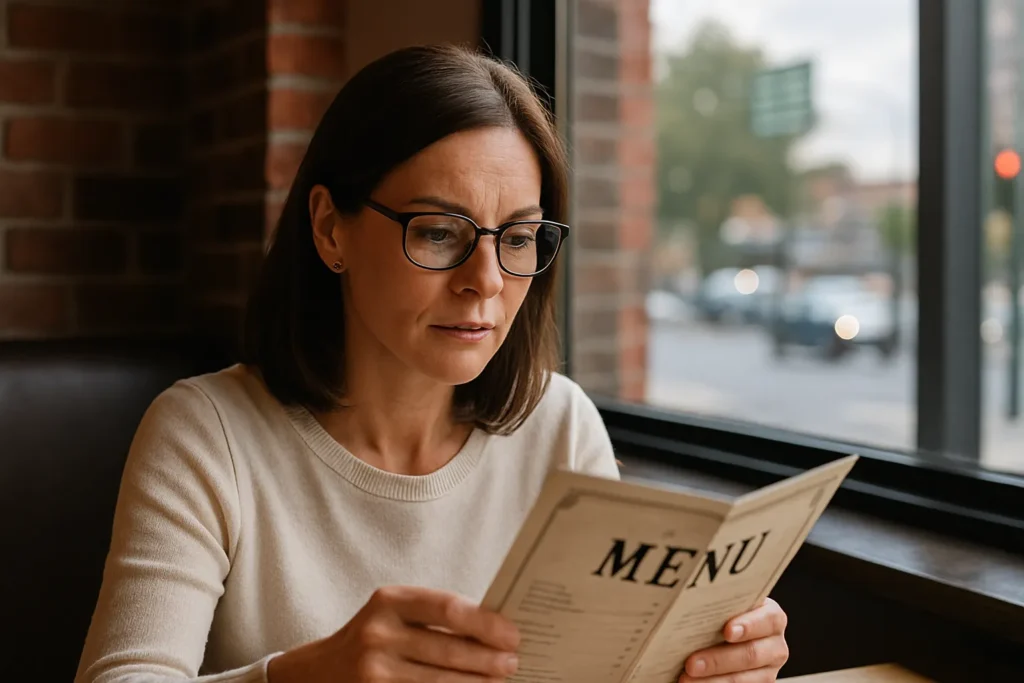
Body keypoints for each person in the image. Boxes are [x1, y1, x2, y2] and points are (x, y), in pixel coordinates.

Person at [75, 44, 789, 683]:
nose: (485, 279)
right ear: (331, 229)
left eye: (518, 237)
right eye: (441, 230)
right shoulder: (207, 434)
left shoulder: (560, 424)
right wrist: (303, 677)